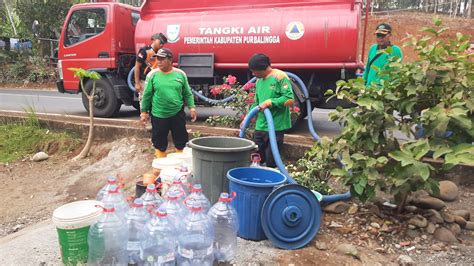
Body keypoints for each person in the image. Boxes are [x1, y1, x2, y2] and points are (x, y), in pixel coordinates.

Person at [140, 48, 197, 158]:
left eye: (162, 59)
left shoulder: (180, 74)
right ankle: (160, 166)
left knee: (181, 140)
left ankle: (181, 163)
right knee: (159, 141)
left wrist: (192, 107)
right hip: (158, 114)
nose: (159, 62)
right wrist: (144, 112)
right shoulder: (152, 75)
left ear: (170, 60)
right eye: (157, 59)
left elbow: (187, 93)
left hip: (177, 113)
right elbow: (146, 95)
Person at [243, 53, 295, 168]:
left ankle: (271, 179)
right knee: (256, 156)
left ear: (263, 69)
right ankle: (256, 177)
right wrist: (247, 118)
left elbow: (289, 99)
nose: (253, 74)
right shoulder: (259, 80)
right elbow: (257, 103)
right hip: (260, 126)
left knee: (271, 159)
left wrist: (270, 102)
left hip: (275, 126)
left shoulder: (280, 76)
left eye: (254, 71)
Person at [363, 23, 403, 87]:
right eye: (378, 35)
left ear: (390, 35)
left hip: (383, 91)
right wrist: (362, 85)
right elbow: (367, 70)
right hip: (369, 90)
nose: (380, 38)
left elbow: (397, 74)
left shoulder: (395, 50)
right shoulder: (373, 48)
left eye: (383, 35)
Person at [134, 33, 168, 97]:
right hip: (145, 81)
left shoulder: (161, 53)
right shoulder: (144, 51)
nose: (161, 45)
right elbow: (137, 67)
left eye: (163, 44)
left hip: (157, 82)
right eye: (160, 42)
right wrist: (137, 83)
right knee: (145, 102)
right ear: (154, 40)